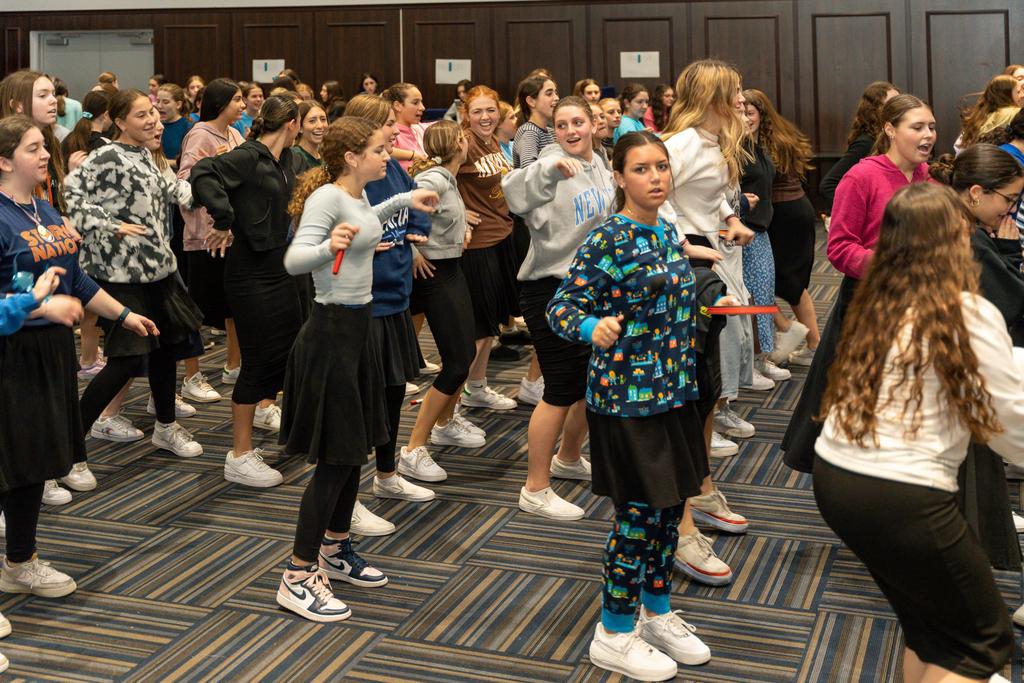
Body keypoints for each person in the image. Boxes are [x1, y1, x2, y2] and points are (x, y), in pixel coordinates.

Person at [814, 182, 1021, 683]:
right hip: (901, 493)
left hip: (837, 477)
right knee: (983, 643)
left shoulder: (879, 302)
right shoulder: (966, 313)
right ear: (957, 239)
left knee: (931, 632)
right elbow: (1008, 420)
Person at [548, 131, 713, 680]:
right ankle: (614, 633)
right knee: (638, 519)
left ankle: (656, 612)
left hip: (674, 393)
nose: (655, 177)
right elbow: (562, 308)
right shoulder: (608, 238)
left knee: (670, 511)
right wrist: (592, 327)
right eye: (641, 169)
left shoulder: (665, 230)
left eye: (661, 166)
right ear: (619, 177)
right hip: (625, 401)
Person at [0, 116, 157, 664]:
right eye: (33, 148)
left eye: (44, 147)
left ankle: (20, 562)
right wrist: (41, 306)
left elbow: (77, 279)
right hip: (10, 355)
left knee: (35, 463)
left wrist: (123, 314)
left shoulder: (44, 210)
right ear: (4, 160)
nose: (45, 155)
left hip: (49, 354)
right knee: (6, 465)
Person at [278, 116, 436, 622]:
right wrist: (329, 247)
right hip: (330, 337)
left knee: (352, 453)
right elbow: (294, 260)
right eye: (378, 149)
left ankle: (334, 549)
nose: (388, 156)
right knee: (334, 461)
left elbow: (366, 219)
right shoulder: (327, 198)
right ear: (350, 157)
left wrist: (404, 201)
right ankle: (297, 575)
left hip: (358, 332)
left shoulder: (358, 194)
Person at [782, 94, 936, 473]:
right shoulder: (862, 176)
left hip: (914, 296)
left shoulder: (924, 175)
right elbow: (839, 248)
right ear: (890, 130)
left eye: (931, 127)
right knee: (855, 392)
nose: (928, 135)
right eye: (917, 127)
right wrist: (886, 264)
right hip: (869, 300)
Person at [65, 88, 204, 469]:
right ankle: (69, 451)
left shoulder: (146, 155)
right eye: (142, 115)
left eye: (153, 113)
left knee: (166, 349)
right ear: (120, 121)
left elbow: (180, 193)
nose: (153, 121)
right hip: (118, 275)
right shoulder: (106, 156)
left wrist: (213, 178)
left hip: (158, 271)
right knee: (126, 360)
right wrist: (112, 225)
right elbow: (73, 201)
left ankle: (166, 426)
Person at [661, 59, 755, 586]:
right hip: (684, 270)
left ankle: (700, 486)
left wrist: (731, 219)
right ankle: (680, 521)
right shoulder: (677, 145)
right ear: (712, 97)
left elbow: (712, 194)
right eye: (734, 92)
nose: (742, 100)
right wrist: (684, 243)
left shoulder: (715, 141)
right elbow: (651, 199)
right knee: (688, 392)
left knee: (708, 388)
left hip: (709, 263)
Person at [503, 95, 615, 521]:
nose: (570, 131)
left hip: (591, 289)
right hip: (551, 290)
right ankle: (535, 487)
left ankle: (568, 457)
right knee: (560, 390)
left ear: (593, 125)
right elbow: (514, 192)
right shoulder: (549, 161)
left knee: (589, 382)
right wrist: (549, 169)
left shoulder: (599, 163)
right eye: (562, 124)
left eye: (578, 123)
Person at [190, 95, 304, 488]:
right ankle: (239, 455)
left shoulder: (285, 160)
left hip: (280, 268)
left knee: (288, 352)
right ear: (291, 123)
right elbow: (202, 172)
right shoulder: (248, 156)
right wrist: (224, 218)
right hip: (249, 275)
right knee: (256, 361)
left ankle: (272, 415)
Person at [930, 144, 1024, 571]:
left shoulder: (951, 222)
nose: (1010, 209)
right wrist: (1011, 254)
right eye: (1008, 199)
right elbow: (1001, 302)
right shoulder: (966, 238)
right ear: (975, 193)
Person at [402, 121, 479, 495]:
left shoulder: (448, 178)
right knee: (457, 362)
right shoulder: (432, 179)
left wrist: (462, 228)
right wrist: (412, 250)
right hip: (434, 273)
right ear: (458, 144)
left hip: (450, 269)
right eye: (464, 138)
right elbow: (401, 217)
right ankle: (413, 448)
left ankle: (446, 422)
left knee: (464, 354)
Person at [176, 78, 246, 404]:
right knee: (197, 309)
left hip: (231, 233)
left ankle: (233, 364)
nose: (243, 105)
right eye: (237, 100)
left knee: (234, 304)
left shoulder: (234, 134)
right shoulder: (200, 134)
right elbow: (186, 182)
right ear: (220, 103)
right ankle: (191, 376)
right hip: (205, 235)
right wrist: (216, 169)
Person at [742, 89, 819, 369]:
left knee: (785, 283)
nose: (745, 117)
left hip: (783, 214)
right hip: (796, 210)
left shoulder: (762, 142)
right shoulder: (781, 133)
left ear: (762, 114)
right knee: (782, 281)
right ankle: (794, 333)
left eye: (750, 113)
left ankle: (807, 340)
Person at [456, 86, 519, 411]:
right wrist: (457, 210)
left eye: (490, 110)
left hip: (501, 235)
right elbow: (427, 178)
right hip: (477, 245)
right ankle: (450, 407)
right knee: (479, 330)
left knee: (492, 324)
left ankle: (477, 387)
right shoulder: (463, 142)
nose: (485, 117)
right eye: (477, 111)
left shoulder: (492, 140)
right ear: (466, 114)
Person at [819, 81, 899, 212]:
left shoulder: (892, 139)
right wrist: (859, 210)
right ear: (875, 109)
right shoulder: (866, 143)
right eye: (892, 104)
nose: (899, 108)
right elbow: (828, 185)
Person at [957, 75, 1020, 153]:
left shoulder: (980, 116)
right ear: (1007, 94)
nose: (1021, 95)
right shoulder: (1016, 113)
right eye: (1018, 92)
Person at [382, 82, 427, 170]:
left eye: (421, 102)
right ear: (398, 106)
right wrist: (413, 155)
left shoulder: (418, 127)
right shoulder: (388, 132)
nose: (422, 107)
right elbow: (382, 149)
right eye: (415, 103)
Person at [154, 84, 191, 169]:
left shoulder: (188, 127)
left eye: (165, 102)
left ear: (178, 104)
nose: (159, 106)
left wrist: (164, 162)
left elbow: (189, 161)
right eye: (158, 101)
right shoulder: (153, 125)